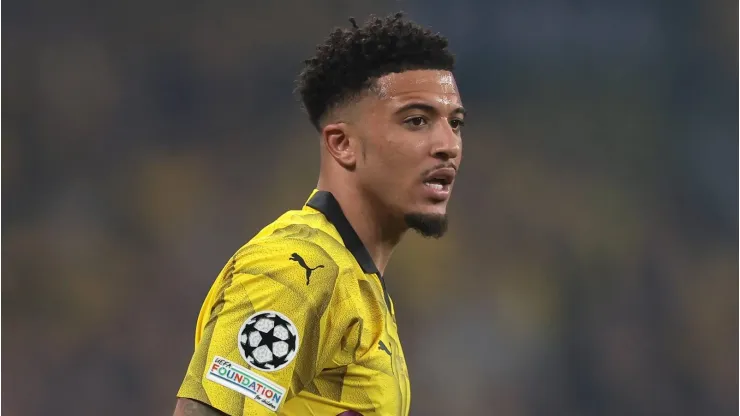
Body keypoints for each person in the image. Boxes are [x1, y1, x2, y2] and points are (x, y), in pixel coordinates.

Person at [174, 12, 465, 416]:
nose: (447, 144)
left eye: (455, 123)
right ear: (343, 144)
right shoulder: (296, 269)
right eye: (416, 121)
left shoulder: (359, 285)